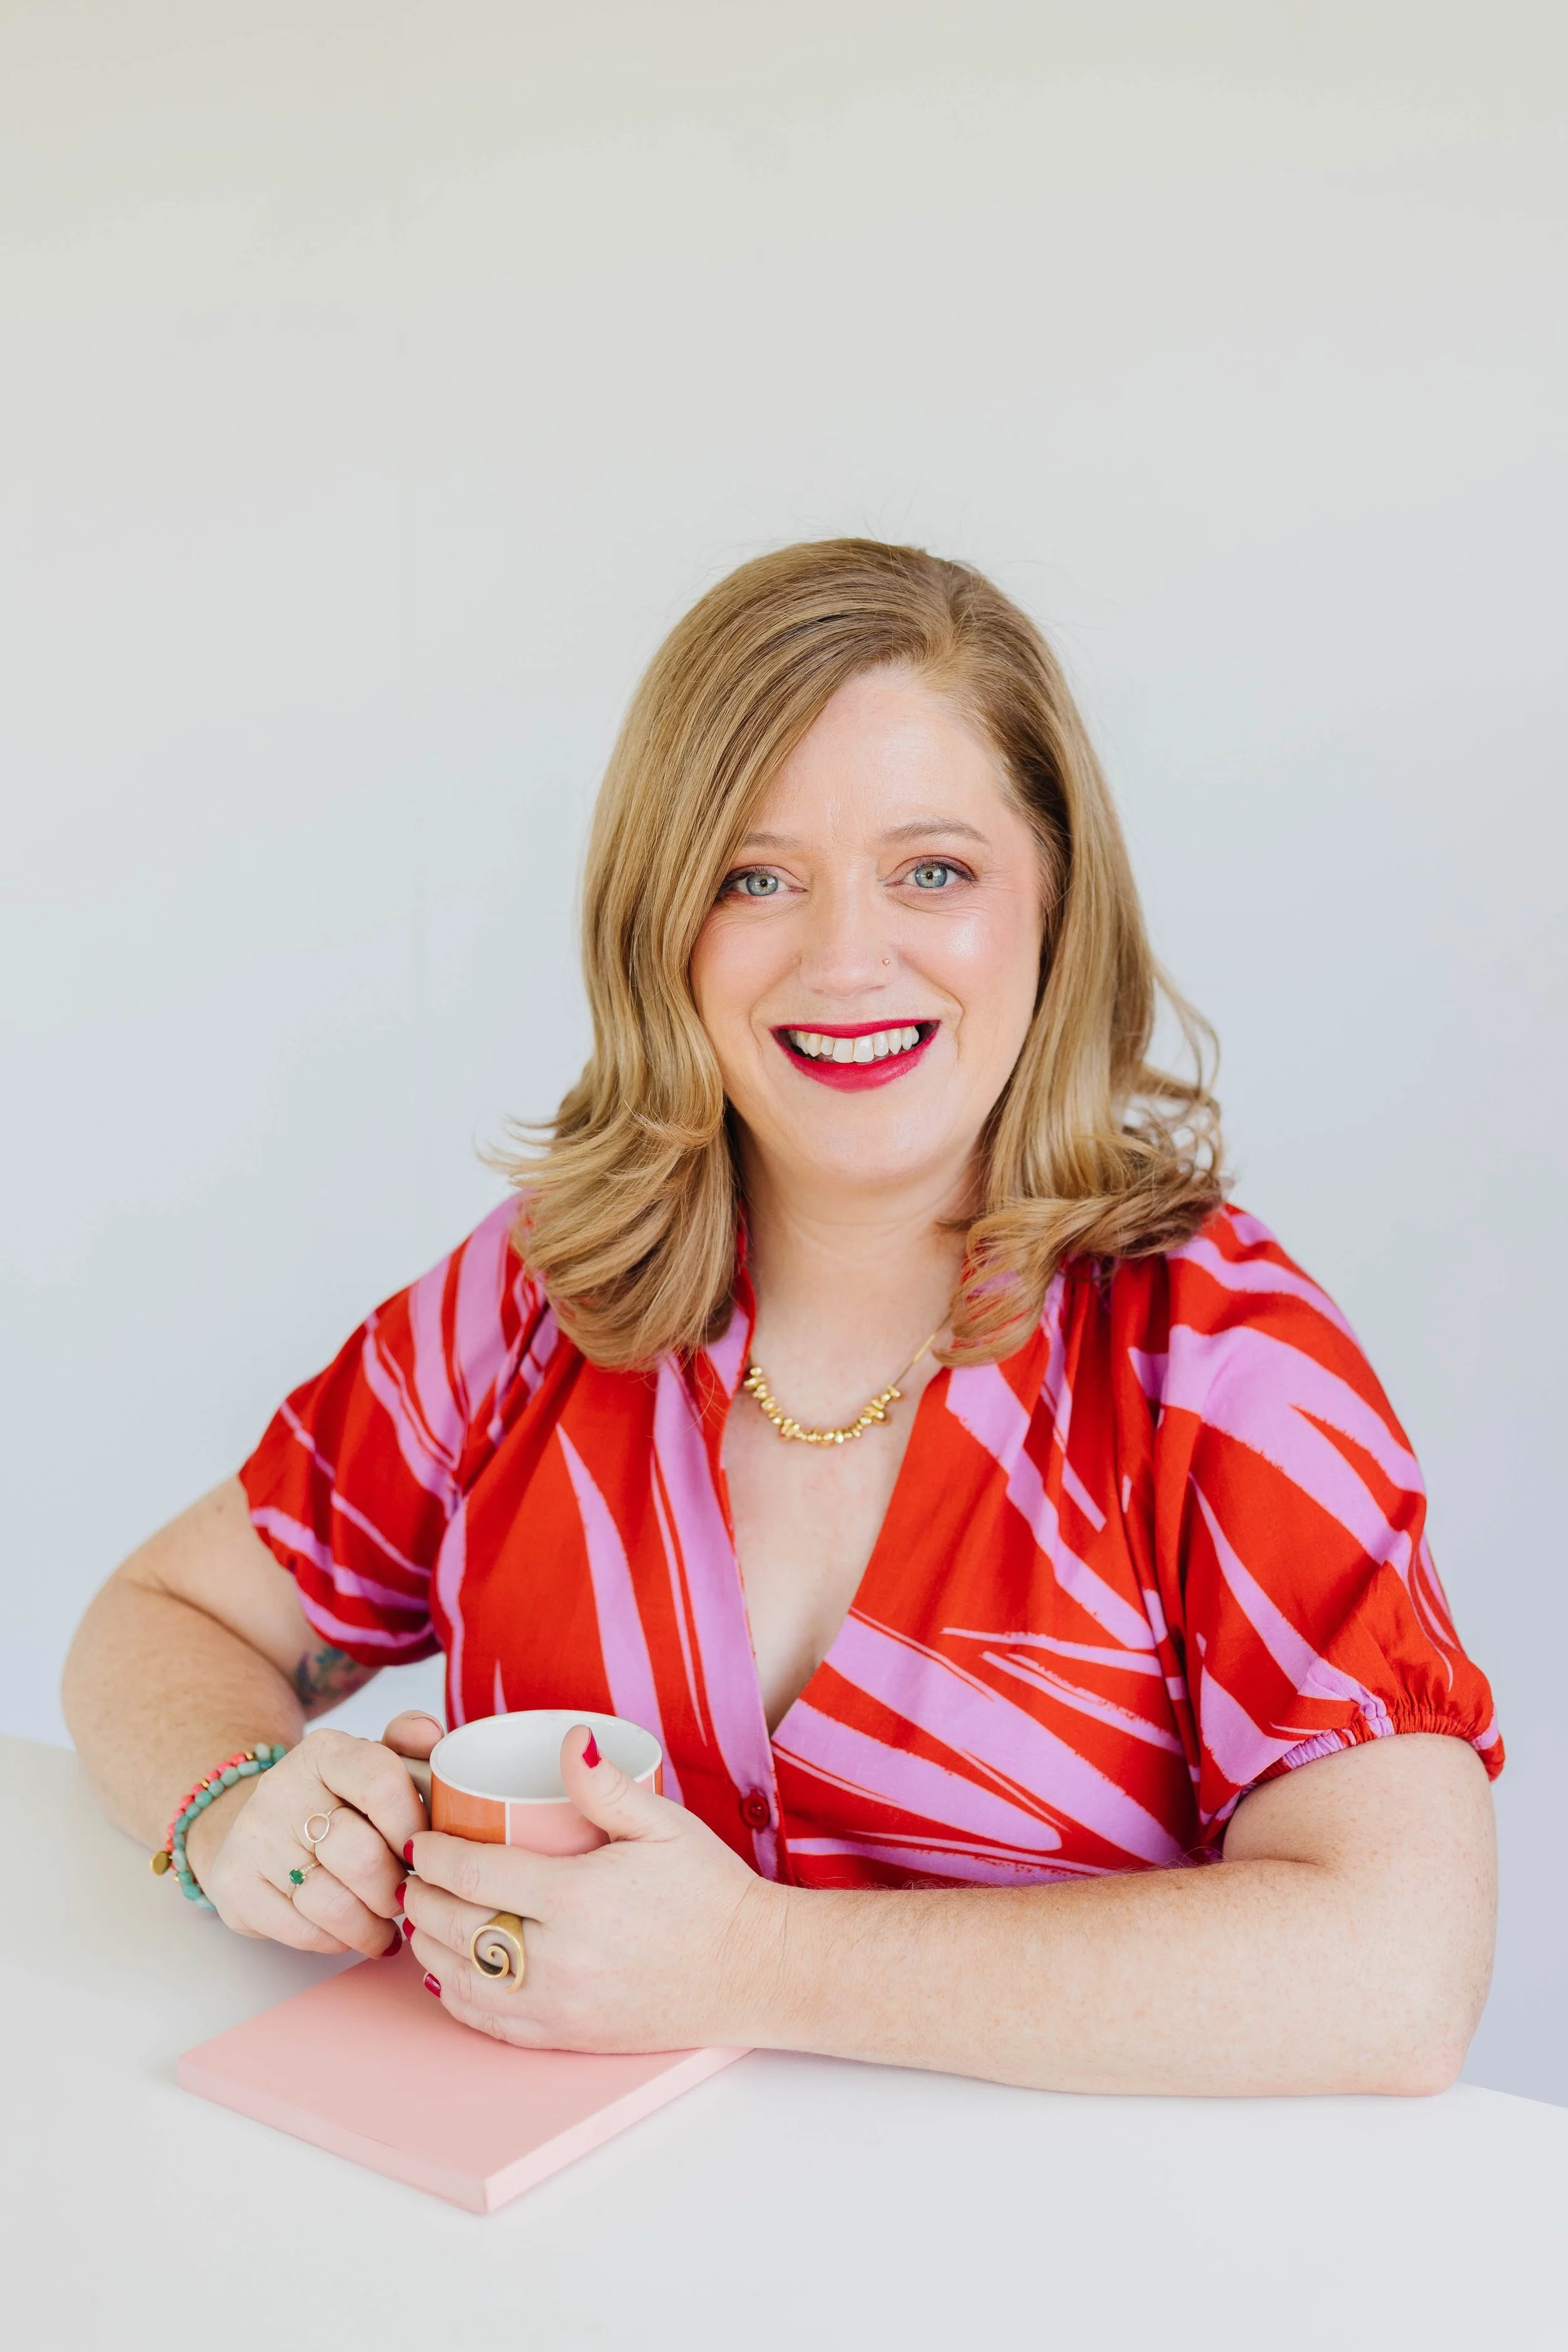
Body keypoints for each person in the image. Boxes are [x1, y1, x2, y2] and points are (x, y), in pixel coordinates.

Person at [64, 539, 1500, 2096]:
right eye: (756, 878)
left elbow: (1398, 1972)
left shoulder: (1221, 1366)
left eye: (931, 870)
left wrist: (751, 1962)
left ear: (1053, 903)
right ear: (659, 927)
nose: (843, 957)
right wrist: (236, 1802)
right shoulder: (537, 1294)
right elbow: (163, 1619)